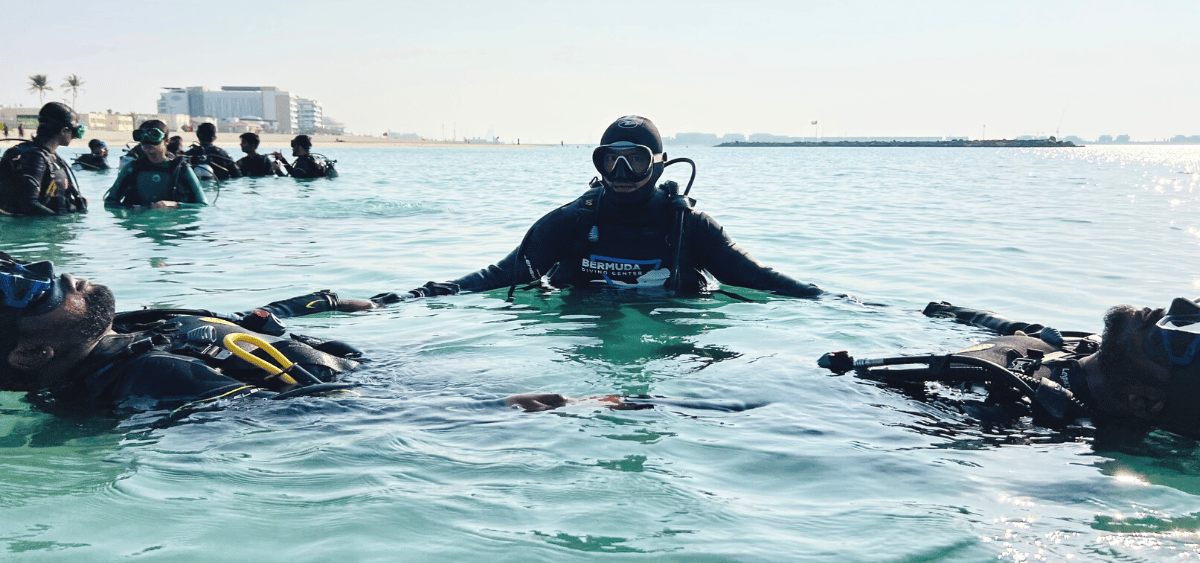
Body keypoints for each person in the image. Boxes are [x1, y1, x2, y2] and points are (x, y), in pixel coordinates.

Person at [0, 253, 583, 418]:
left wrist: (322, 302)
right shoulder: (142, 383)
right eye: (27, 292)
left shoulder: (128, 330)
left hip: (379, 365)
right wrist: (487, 409)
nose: (48, 274)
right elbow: (323, 415)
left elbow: (244, 323)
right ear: (31, 351)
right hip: (410, 399)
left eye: (18, 266)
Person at [376, 115, 822, 302]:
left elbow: (759, 280)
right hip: (584, 328)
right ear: (600, 163)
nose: (623, 171)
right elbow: (504, 275)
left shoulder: (689, 226)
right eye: (612, 159)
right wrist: (420, 295)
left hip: (669, 331)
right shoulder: (573, 220)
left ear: (659, 164)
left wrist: (831, 300)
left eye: (637, 160)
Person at [819, 299, 1200, 439]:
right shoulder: (1081, 345)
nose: (1175, 305)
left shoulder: (1011, 410)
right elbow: (1007, 329)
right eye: (1190, 316)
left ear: (1144, 402)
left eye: (1178, 340)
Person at [0, 102, 87, 216]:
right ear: (64, 131)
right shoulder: (35, 157)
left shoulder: (48, 155)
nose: (75, 136)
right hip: (33, 230)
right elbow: (28, 203)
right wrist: (58, 221)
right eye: (74, 131)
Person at [104, 121, 206, 209]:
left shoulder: (181, 169)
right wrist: (131, 209)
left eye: (154, 136)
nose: (147, 145)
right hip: (140, 226)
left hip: (173, 228)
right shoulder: (132, 168)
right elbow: (109, 203)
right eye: (142, 137)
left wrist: (175, 205)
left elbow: (203, 205)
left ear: (167, 141)